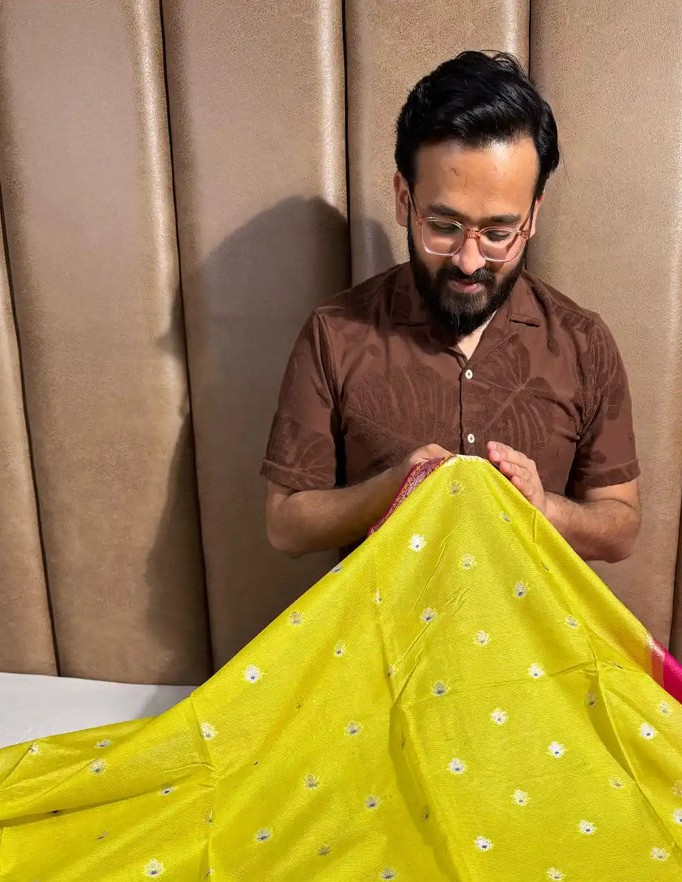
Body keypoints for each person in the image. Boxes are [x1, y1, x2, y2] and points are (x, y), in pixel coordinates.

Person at [262, 50, 641, 564]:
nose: (468, 261)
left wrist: (544, 508)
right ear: (404, 199)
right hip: (384, 638)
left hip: (528, 637)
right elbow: (285, 524)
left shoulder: (583, 342)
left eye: (499, 233)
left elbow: (620, 528)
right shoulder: (335, 334)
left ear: (533, 216)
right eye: (443, 227)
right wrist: (391, 489)